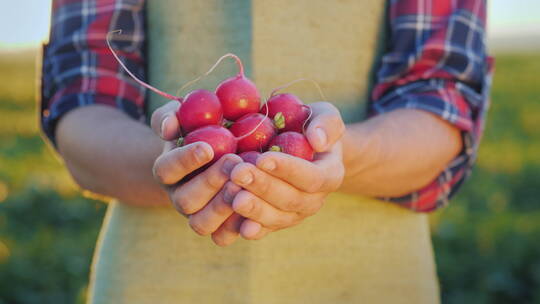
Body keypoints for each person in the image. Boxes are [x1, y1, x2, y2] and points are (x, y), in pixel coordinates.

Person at [41, 0, 492, 303]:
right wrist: (176, 164)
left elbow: (439, 99)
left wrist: (339, 154)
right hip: (156, 278)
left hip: (373, 279)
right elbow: (84, 104)